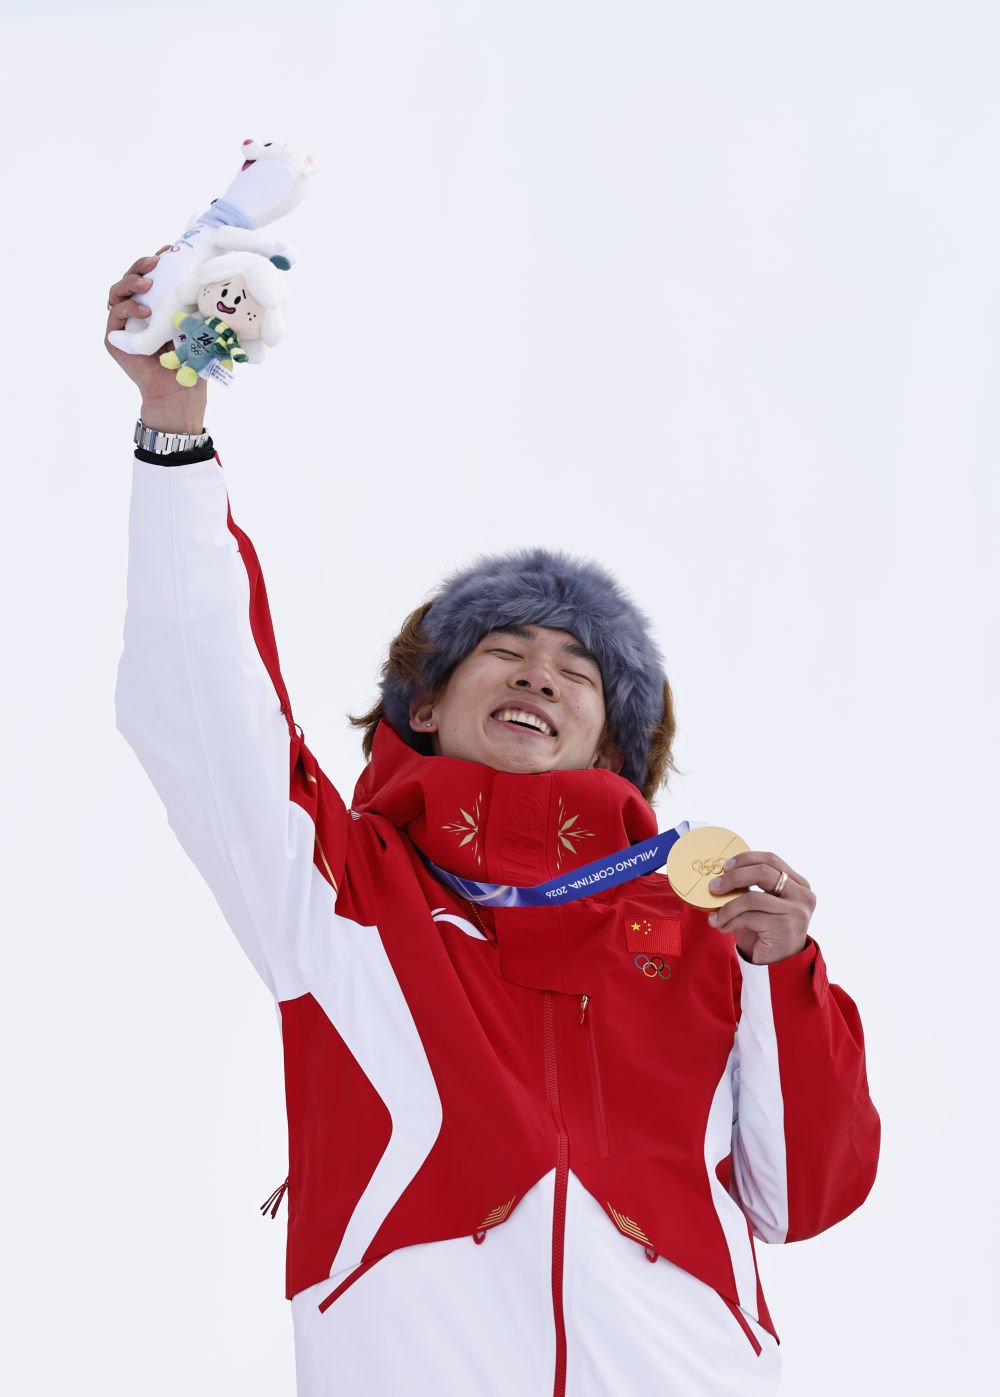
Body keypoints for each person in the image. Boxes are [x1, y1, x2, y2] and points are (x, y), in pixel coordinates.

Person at [107, 253, 880, 1397]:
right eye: (503, 650)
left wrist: (783, 975)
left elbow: (800, 1195)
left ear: (612, 750)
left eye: (577, 671)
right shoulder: (340, 889)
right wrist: (174, 432)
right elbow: (202, 700)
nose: (538, 675)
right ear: (425, 705)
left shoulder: (708, 930)